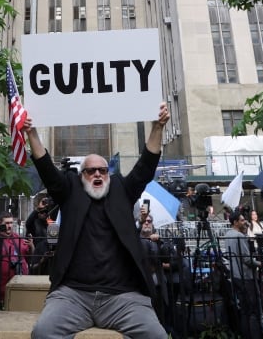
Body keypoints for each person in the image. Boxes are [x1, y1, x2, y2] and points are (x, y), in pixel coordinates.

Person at [25, 102, 170, 339]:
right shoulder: (70, 189)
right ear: (82, 175)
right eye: (91, 171)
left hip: (123, 298)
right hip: (73, 296)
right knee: (43, 332)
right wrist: (31, 133)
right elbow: (47, 171)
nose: (97, 175)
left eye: (102, 170)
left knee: (157, 336)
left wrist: (157, 127)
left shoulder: (122, 189)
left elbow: (145, 167)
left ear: (109, 174)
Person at [223, 210, 263, 339]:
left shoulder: (228, 234)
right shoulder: (239, 236)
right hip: (246, 276)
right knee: (253, 310)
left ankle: (245, 334)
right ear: (235, 222)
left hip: (235, 275)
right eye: (241, 220)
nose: (244, 222)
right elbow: (246, 259)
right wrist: (260, 264)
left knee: (244, 310)